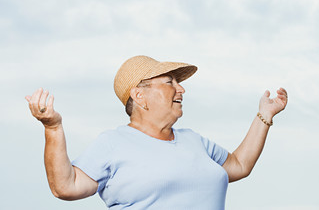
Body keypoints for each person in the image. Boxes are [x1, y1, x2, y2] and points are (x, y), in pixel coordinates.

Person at [25, 55, 288, 210]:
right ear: (140, 95)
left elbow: (240, 165)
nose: (181, 89)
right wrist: (53, 128)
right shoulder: (113, 144)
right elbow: (65, 187)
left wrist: (265, 114)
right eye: (170, 82)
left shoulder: (194, 141)